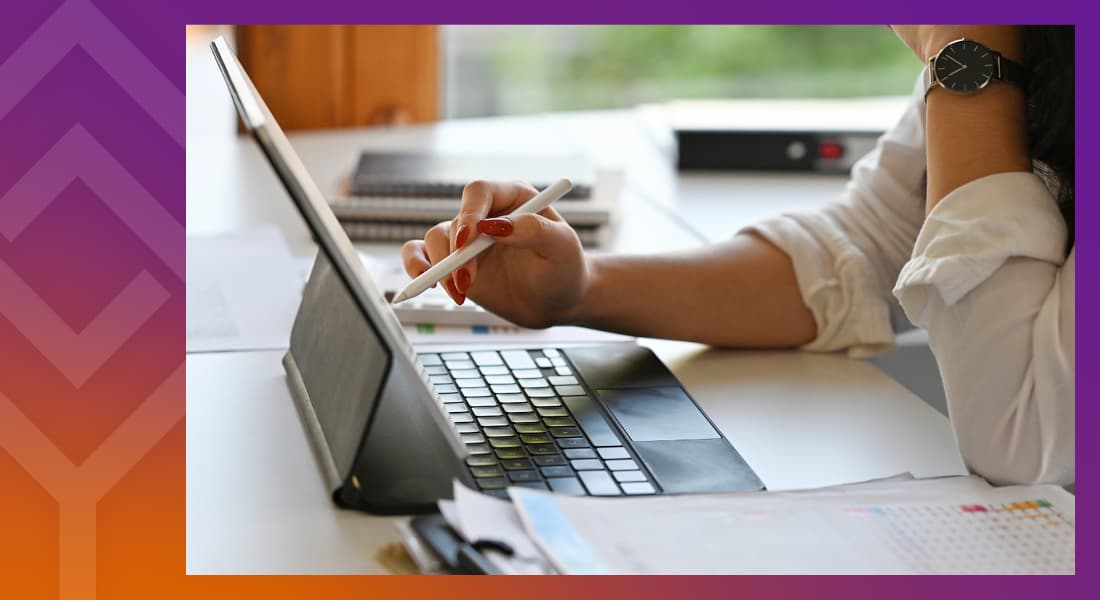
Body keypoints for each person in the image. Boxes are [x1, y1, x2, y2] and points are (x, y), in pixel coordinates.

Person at [401, 26, 1075, 487]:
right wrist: (580, 289)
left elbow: (1019, 440)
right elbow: (866, 247)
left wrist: (963, 54)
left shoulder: (984, 40)